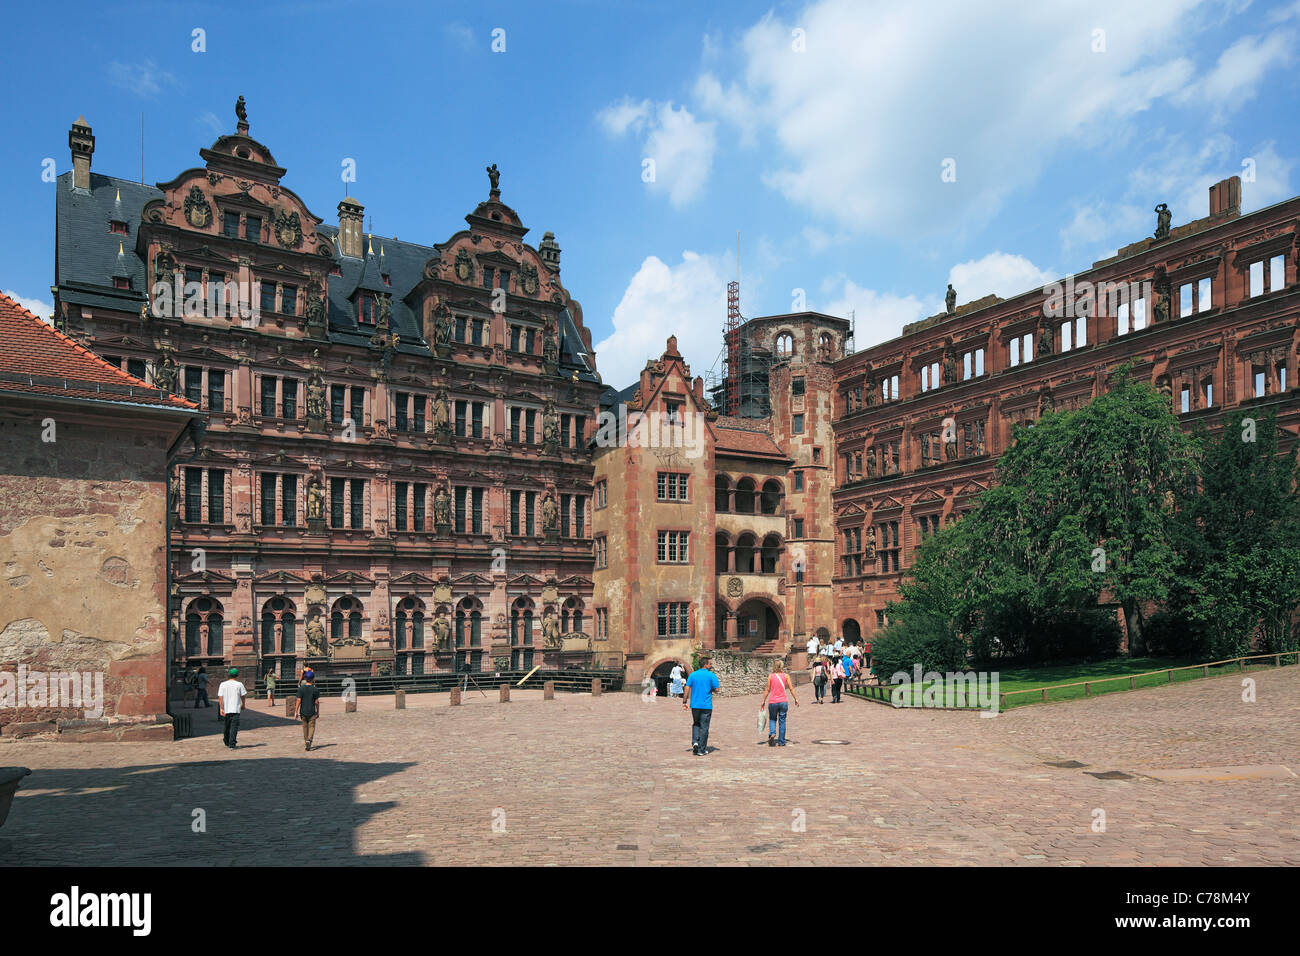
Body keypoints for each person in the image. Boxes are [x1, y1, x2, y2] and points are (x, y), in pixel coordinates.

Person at [683, 656, 720, 756]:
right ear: (705, 665)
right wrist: (710, 689)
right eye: (710, 664)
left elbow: (687, 688)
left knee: (696, 723)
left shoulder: (693, 675)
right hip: (706, 705)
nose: (711, 665)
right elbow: (717, 689)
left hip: (694, 705)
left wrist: (684, 701)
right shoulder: (711, 675)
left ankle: (695, 742)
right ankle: (701, 749)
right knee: (704, 727)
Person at [759, 659, 799, 746]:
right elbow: (791, 688)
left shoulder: (771, 676)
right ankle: (781, 741)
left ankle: (772, 733)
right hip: (783, 702)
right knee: (782, 721)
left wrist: (763, 701)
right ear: (782, 666)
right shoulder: (786, 676)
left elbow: (767, 689)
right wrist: (796, 698)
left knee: (772, 719)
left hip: (773, 702)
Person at [217, 667, 247, 749]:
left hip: (226, 709)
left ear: (228, 675)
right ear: (237, 675)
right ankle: (232, 743)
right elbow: (243, 696)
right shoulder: (239, 684)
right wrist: (243, 704)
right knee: (234, 727)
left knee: (226, 726)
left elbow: (220, 697)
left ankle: (226, 740)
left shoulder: (223, 684)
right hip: (235, 709)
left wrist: (221, 708)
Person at [294, 668, 322, 752]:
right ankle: (309, 739)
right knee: (312, 726)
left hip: (303, 711)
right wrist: (318, 711)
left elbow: (298, 700)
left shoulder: (301, 689)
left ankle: (306, 741)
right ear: (313, 679)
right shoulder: (315, 689)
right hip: (312, 711)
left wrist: (296, 711)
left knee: (304, 727)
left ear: (305, 678)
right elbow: (316, 702)